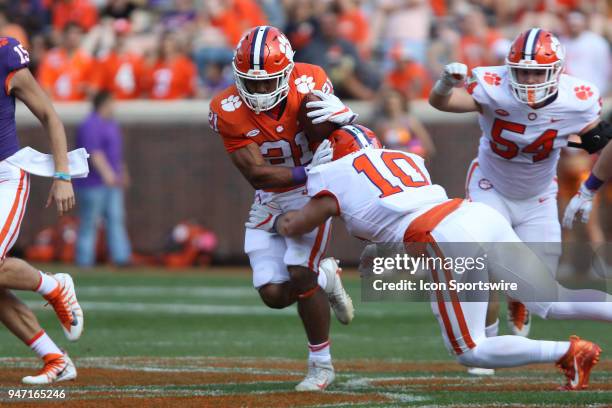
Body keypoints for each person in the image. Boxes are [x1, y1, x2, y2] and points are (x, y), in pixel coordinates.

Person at [246, 124, 610, 391]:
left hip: (444, 237)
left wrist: (271, 220)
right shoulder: (404, 157)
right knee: (552, 299)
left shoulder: (333, 173)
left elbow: (295, 224)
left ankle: (569, 351)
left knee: (470, 350)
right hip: (476, 215)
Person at [428, 28, 609, 359]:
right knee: (477, 268)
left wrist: (587, 190)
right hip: (489, 187)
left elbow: (605, 145)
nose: (528, 79)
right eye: (522, 70)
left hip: (539, 198)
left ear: (556, 71)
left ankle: (518, 297)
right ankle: (485, 341)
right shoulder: (492, 84)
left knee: (547, 300)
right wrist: (444, 84)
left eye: (536, 72)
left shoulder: (578, 98)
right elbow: (443, 104)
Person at [209, 25, 357, 391]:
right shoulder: (226, 109)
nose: (259, 91)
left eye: (267, 82)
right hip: (273, 196)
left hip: (315, 193)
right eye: (251, 82)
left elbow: (345, 142)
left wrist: (344, 119)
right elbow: (258, 175)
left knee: (299, 271)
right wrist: (311, 168)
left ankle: (321, 365)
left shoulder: (311, 84)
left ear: (287, 71)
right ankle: (328, 277)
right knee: (273, 295)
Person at [0, 35, 84, 384]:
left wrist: (62, 175)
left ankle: (52, 285)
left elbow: (50, 115)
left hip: (5, 173)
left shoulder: (4, 55)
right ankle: (55, 359)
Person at [74, 91, 132, 267]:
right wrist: (108, 174)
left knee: (116, 218)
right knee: (89, 221)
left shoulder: (111, 124)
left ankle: (122, 258)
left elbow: (115, 153)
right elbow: (95, 153)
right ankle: (85, 261)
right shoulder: (90, 124)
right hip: (93, 183)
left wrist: (122, 172)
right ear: (104, 104)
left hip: (112, 182)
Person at [563, 131, 612, 228]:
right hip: (566, 181)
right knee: (565, 225)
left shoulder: (587, 123)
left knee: (592, 227)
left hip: (583, 176)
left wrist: (588, 189)